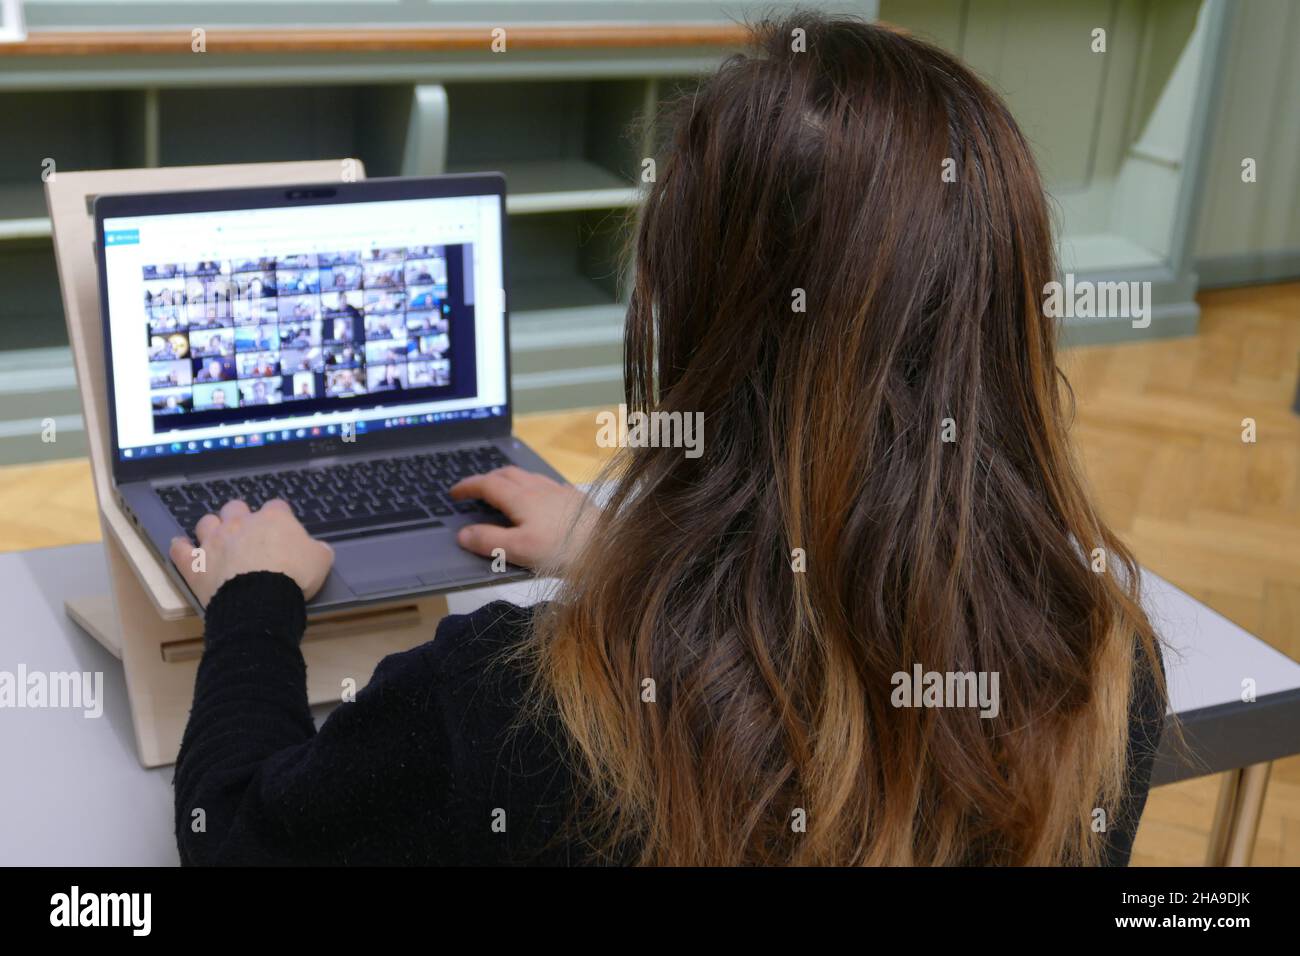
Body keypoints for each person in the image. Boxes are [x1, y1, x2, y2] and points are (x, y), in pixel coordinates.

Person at [168, 15, 1165, 867]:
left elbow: (236, 831)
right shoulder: (1102, 671)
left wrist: (252, 602)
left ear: (690, 315)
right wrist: (628, 553)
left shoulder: (513, 706)